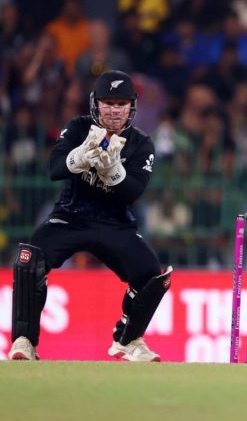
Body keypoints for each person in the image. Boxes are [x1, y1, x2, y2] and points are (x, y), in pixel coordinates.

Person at [8, 70, 172, 362]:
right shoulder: (78, 128)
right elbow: (54, 169)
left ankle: (129, 341)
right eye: (108, 103)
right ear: (95, 104)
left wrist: (113, 172)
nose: (114, 110)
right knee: (30, 258)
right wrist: (79, 157)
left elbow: (132, 191)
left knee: (153, 276)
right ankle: (24, 342)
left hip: (115, 224)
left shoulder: (141, 143)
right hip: (71, 216)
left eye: (121, 104)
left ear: (132, 107)